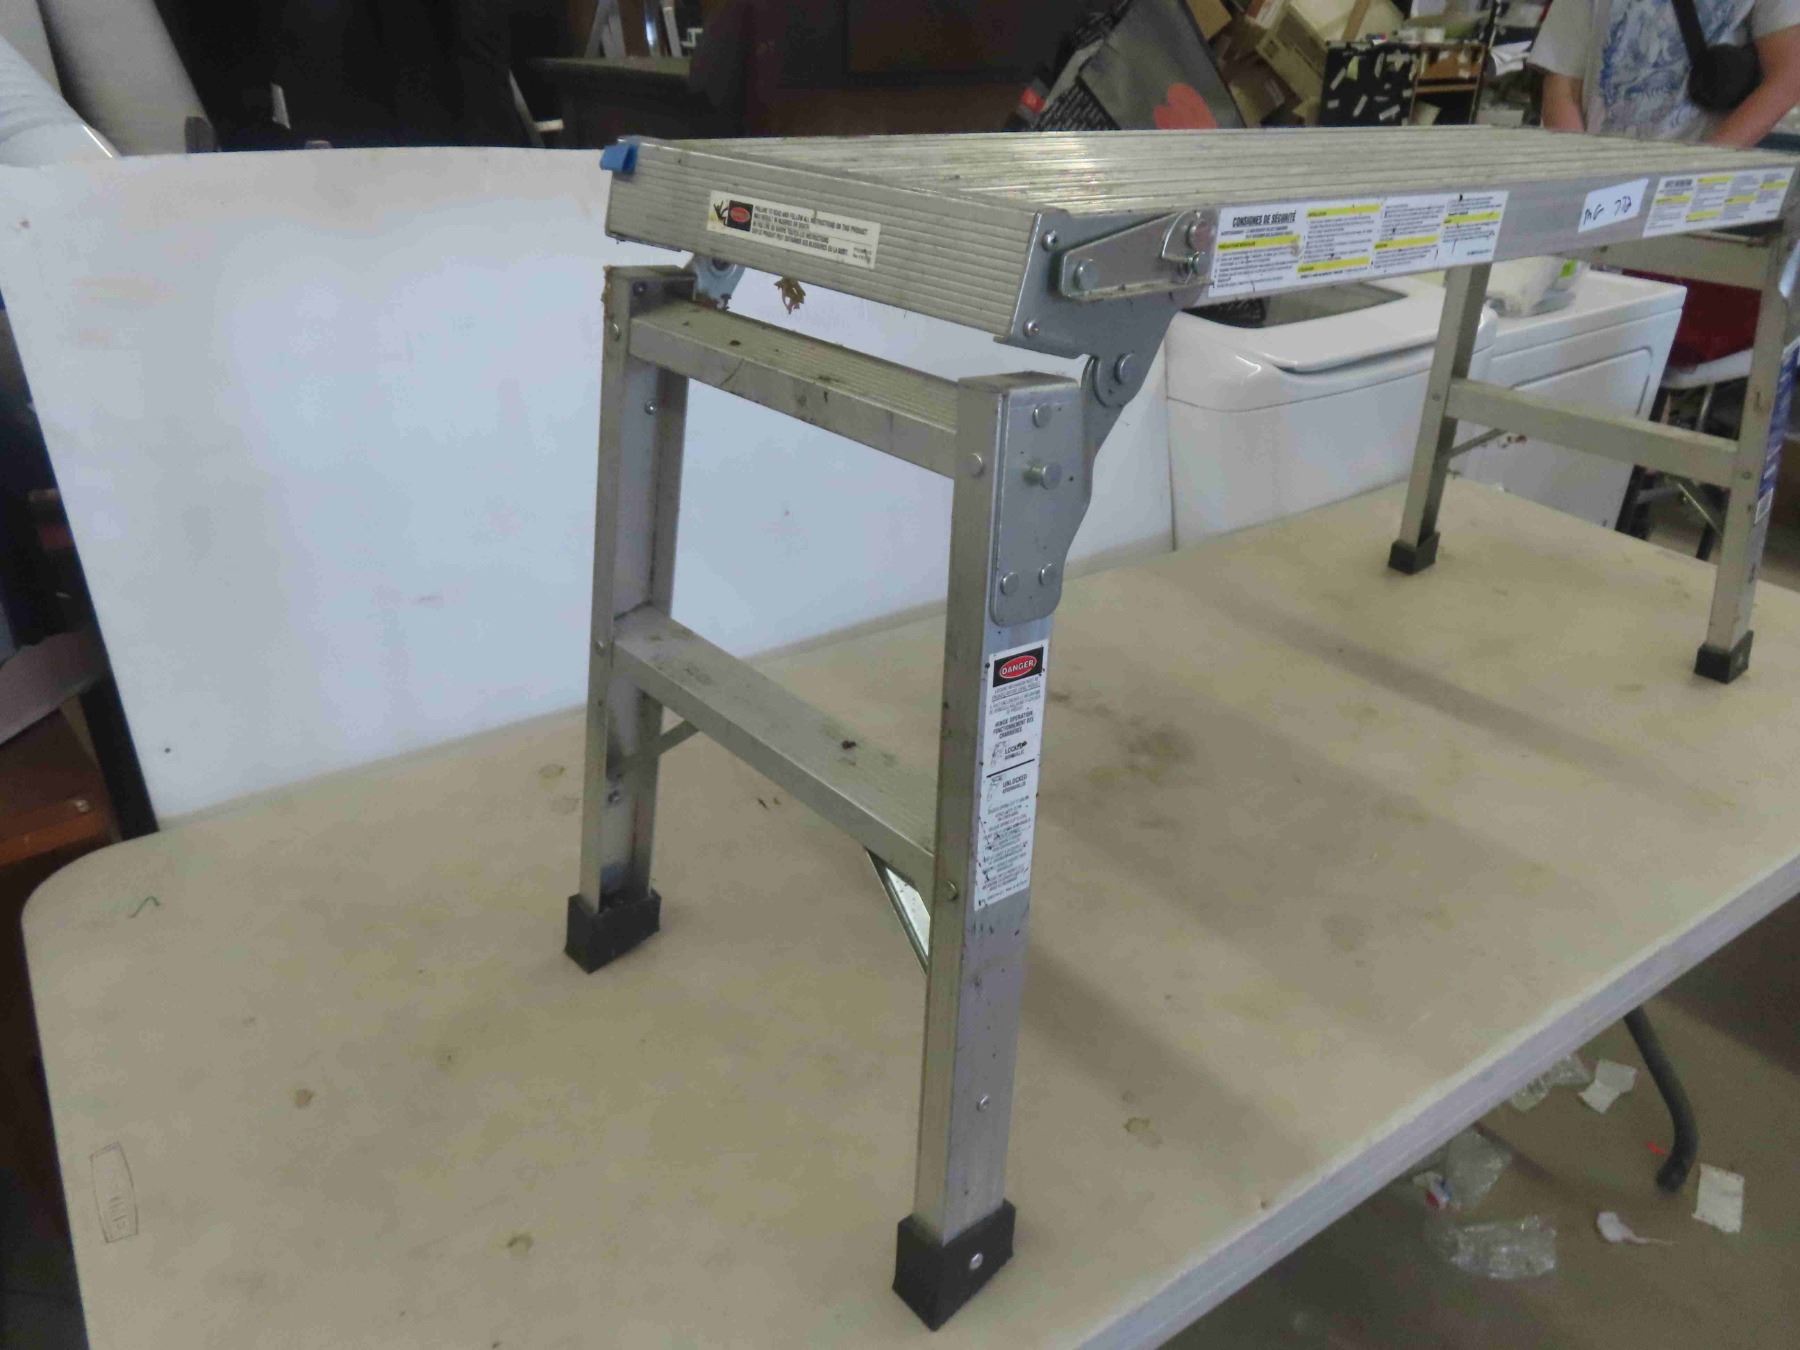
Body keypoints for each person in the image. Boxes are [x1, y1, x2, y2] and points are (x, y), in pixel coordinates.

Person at [1531, 0, 1800, 145]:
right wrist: (1581, 171)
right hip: (1600, 178)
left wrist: (1704, 167)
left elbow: (1788, 77)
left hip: (1696, 186)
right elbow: (1563, 84)